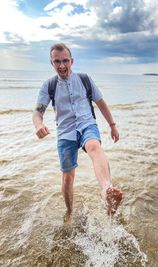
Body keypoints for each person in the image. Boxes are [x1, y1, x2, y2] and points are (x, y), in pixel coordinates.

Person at [32, 43, 122, 221]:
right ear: (52, 63)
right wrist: (38, 125)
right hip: (65, 132)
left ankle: (106, 191)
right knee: (68, 177)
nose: (62, 65)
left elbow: (101, 102)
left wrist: (112, 125)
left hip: (87, 124)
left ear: (72, 61)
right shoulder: (49, 85)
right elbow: (37, 112)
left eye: (65, 60)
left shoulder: (84, 79)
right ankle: (70, 212)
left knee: (95, 147)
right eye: (57, 61)